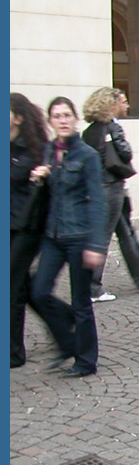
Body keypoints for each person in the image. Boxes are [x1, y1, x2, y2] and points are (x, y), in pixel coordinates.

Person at [29, 97, 107, 378]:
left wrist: (96, 245)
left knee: (81, 301)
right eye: (56, 116)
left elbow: (98, 201)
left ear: (75, 119)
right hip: (53, 235)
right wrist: (39, 177)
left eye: (66, 115)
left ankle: (86, 361)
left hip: (79, 236)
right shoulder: (49, 151)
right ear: (50, 121)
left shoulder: (86, 155)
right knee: (38, 291)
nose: (62, 120)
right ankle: (67, 333)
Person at [81, 87, 139, 302]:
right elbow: (125, 153)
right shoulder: (112, 127)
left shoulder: (89, 131)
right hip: (111, 187)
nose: (127, 106)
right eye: (123, 102)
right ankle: (92, 288)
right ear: (111, 105)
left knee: (125, 231)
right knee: (103, 236)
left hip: (99, 187)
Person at [10, 93, 50, 368]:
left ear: (18, 117)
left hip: (24, 228)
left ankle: (14, 353)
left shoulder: (30, 150)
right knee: (24, 287)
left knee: (12, 288)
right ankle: (63, 321)